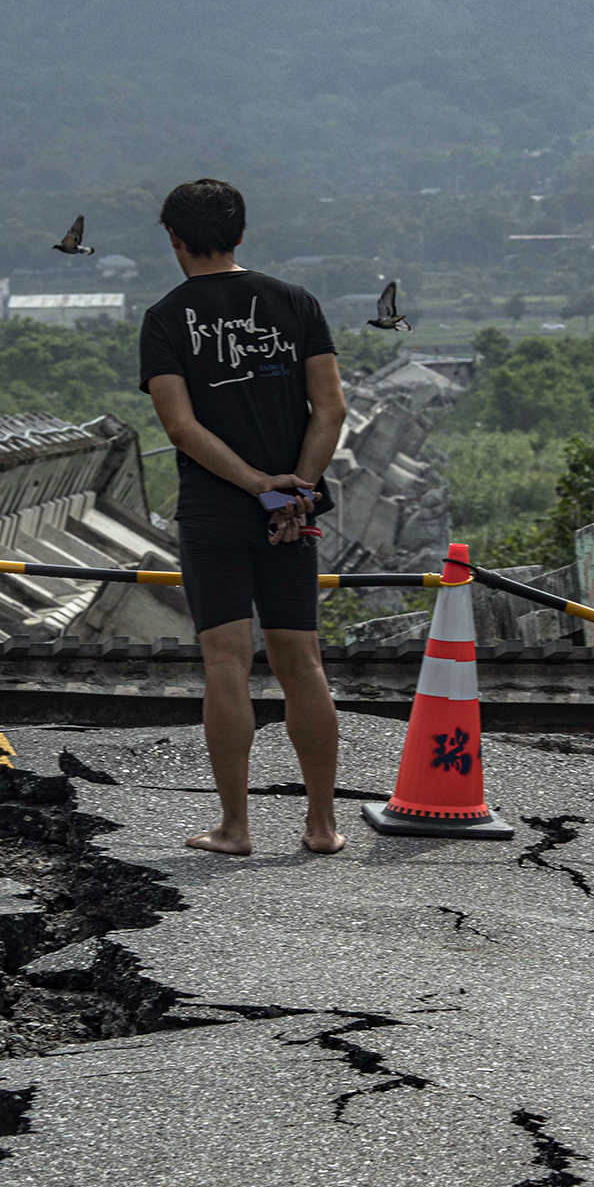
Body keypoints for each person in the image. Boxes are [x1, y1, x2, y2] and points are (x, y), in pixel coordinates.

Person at [140, 178, 349, 856]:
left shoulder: (166, 318)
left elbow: (179, 425)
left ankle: (235, 827)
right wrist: (295, 488)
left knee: (226, 664)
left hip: (214, 511)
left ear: (175, 239)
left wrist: (255, 484)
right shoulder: (295, 303)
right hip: (290, 514)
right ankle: (321, 826)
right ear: (240, 233)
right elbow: (332, 410)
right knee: (303, 663)